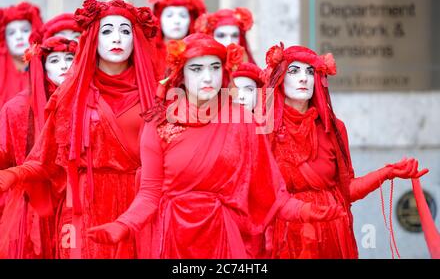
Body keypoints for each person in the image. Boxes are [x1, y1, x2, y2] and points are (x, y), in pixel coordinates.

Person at [86, 34, 344, 259]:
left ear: (224, 71)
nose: (207, 77)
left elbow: (270, 191)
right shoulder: (158, 122)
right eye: (196, 68)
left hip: (225, 236)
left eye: (214, 67)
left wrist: (306, 210)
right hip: (173, 236)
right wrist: (123, 225)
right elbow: (150, 193)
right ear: (181, 74)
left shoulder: (243, 120)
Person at [0, 0, 160, 259]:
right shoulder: (70, 95)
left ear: (136, 39)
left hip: (140, 206)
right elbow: (46, 159)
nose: (116, 38)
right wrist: (14, 175)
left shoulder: (157, 96)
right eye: (107, 31)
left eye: (125, 31)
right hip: (85, 208)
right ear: (93, 38)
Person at [264, 43, 429, 259]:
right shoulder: (264, 130)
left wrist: (387, 172)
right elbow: (260, 194)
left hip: (333, 234)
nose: (304, 78)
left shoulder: (334, 129)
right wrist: (303, 211)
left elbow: (346, 191)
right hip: (285, 236)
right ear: (280, 78)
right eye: (294, 71)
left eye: (310, 71)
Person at [0, 36, 77, 259]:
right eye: (54, 60)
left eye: (70, 58)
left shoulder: (89, 103)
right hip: (34, 204)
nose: (63, 65)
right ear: (42, 67)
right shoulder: (17, 108)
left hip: (76, 203)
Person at [148, 0, 206, 80]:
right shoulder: (148, 53)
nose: (176, 21)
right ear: (159, 19)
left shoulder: (201, 54)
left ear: (191, 21)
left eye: (182, 16)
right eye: (169, 15)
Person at [0, 2, 43, 109]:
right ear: (4, 39)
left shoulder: (47, 65)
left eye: (25, 30)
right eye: (11, 33)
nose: (19, 36)